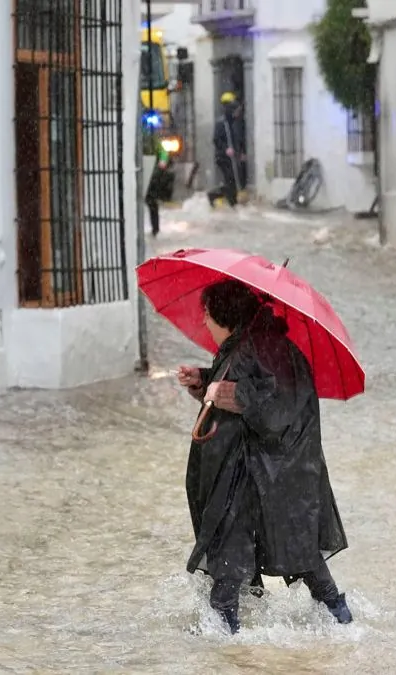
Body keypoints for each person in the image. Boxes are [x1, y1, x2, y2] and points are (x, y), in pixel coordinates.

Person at [177, 279, 352, 634]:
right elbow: (251, 385)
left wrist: (228, 393)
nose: (204, 321)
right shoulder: (253, 344)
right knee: (295, 551)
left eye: (207, 313)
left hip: (265, 473)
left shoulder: (258, 347)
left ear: (224, 314)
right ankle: (341, 622)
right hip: (269, 472)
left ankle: (227, 647)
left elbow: (273, 404)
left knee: (235, 556)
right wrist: (204, 380)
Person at [206, 92, 246, 209]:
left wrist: (240, 153)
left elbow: (237, 139)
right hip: (223, 158)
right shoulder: (222, 123)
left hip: (232, 157)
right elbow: (216, 140)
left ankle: (232, 203)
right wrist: (225, 149)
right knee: (230, 181)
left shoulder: (233, 123)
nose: (237, 112)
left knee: (233, 180)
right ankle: (216, 196)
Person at [145, 137, 175, 237]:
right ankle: (154, 229)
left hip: (151, 176)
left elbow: (163, 153)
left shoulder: (152, 140)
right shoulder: (151, 140)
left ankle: (155, 229)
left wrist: (162, 162)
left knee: (151, 202)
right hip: (150, 175)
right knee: (151, 202)